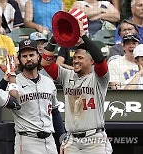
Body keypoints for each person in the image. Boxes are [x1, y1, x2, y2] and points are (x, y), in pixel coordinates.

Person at [41, 17, 113, 154]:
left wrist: (83, 35)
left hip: (94, 139)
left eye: (80, 58)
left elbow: (100, 59)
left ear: (91, 61)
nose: (75, 61)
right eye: (74, 58)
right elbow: (46, 63)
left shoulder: (99, 78)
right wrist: (54, 39)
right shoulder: (67, 75)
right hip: (72, 140)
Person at [9, 39, 65, 154]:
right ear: (19, 59)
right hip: (27, 140)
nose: (28, 58)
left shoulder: (48, 82)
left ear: (38, 56)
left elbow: (55, 112)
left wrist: (62, 138)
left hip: (49, 141)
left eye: (31, 55)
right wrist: (9, 75)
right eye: (24, 56)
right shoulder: (14, 83)